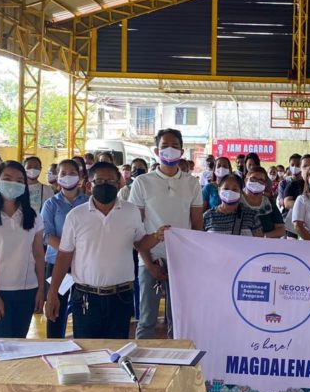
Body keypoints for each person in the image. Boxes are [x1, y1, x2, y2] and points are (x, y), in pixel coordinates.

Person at [46, 162, 165, 339]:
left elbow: (139, 244)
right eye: (99, 181)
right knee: (87, 351)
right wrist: (53, 292)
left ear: (119, 185)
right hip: (86, 297)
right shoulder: (76, 215)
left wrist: (157, 236)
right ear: (89, 185)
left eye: (110, 181)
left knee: (116, 351)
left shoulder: (130, 211)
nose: (105, 185)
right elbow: (64, 256)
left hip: (121, 297)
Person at [130, 129, 204, 339]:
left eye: (174, 146)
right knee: (146, 320)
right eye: (164, 146)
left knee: (178, 320)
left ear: (181, 150)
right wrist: (149, 263)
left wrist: (190, 261)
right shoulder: (142, 182)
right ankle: (140, 367)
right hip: (149, 260)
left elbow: (197, 227)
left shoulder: (192, 183)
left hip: (182, 262)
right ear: (156, 150)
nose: (169, 150)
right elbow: (137, 229)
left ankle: (176, 367)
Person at [0, 160, 46, 338]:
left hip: (27, 290)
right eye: (8, 178)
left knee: (20, 343)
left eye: (20, 180)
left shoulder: (33, 216)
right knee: (2, 345)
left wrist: (41, 289)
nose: (13, 184)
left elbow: (38, 255)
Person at [41, 159, 89, 338]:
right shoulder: (51, 204)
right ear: (57, 177)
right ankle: (54, 344)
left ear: (81, 176)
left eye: (72, 173)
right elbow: (46, 235)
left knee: (82, 307)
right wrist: (67, 252)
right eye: (63, 174)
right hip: (57, 264)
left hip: (83, 264)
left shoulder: (89, 202)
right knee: (56, 307)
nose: (67, 177)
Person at [242, 167, 286, 238]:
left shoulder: (268, 203)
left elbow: (281, 230)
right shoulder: (236, 200)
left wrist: (264, 236)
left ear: (265, 184)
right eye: (253, 179)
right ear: (246, 180)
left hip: (266, 245)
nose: (257, 182)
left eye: (261, 180)